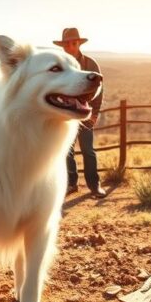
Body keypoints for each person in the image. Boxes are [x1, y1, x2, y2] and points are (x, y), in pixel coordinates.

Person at [56, 28, 106, 198]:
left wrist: (94, 114)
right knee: (66, 152)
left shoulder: (90, 64)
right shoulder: (60, 66)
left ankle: (94, 185)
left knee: (88, 151)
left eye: (73, 43)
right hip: (65, 116)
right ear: (63, 46)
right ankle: (71, 184)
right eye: (67, 44)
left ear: (78, 44)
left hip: (85, 115)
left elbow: (99, 90)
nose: (70, 47)